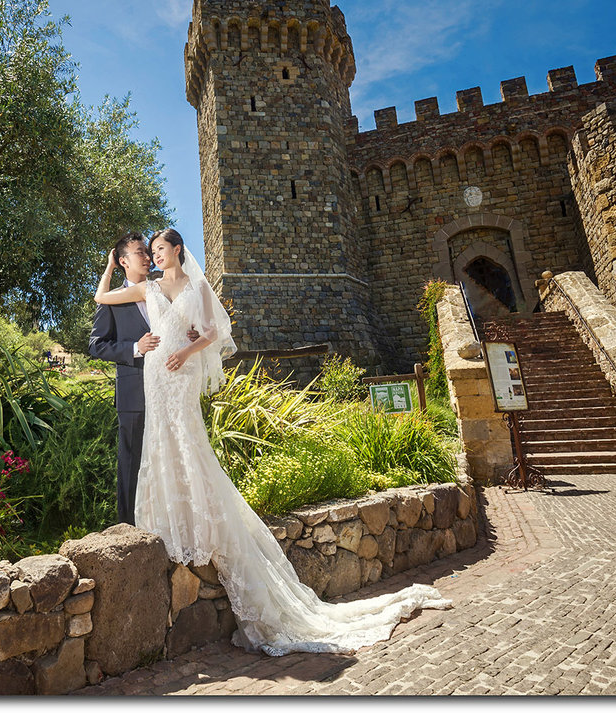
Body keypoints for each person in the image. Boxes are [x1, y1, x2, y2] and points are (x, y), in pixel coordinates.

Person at [94, 228, 451, 656]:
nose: (153, 256)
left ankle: (201, 523)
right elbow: (101, 300)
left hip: (180, 375)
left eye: (159, 249)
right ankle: (167, 525)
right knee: (159, 448)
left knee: (190, 445)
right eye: (149, 251)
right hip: (154, 377)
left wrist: (188, 351)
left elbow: (213, 332)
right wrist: (110, 267)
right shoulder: (148, 288)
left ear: (177, 250)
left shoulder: (196, 286)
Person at [88, 233, 198, 526]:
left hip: (171, 388)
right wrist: (135, 347)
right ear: (123, 261)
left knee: (171, 457)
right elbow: (96, 345)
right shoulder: (112, 300)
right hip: (134, 391)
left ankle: (171, 523)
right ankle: (128, 528)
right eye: (141, 252)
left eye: (149, 252)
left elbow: (182, 327)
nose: (148, 257)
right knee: (132, 460)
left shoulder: (163, 289)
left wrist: (191, 336)